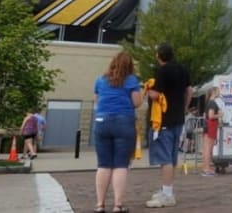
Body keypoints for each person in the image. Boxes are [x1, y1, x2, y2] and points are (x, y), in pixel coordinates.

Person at [92, 52, 142, 213]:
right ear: (130, 66)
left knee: (103, 164)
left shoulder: (100, 80)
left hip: (102, 122)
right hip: (123, 122)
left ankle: (100, 204)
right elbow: (136, 102)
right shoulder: (131, 80)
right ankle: (117, 205)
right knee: (121, 165)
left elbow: (97, 101)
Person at [146, 43, 193, 208]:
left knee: (164, 158)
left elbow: (156, 94)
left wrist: (147, 89)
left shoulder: (162, 71)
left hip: (163, 120)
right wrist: (184, 108)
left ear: (158, 55)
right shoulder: (182, 69)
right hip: (178, 119)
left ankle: (167, 195)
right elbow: (190, 91)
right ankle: (167, 189)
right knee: (172, 158)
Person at [201, 87, 223, 176]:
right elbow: (211, 116)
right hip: (210, 126)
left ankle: (206, 168)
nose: (219, 93)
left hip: (209, 126)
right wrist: (220, 115)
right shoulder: (212, 103)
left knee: (207, 148)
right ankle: (207, 169)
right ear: (213, 92)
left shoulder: (209, 102)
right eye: (218, 91)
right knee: (208, 149)